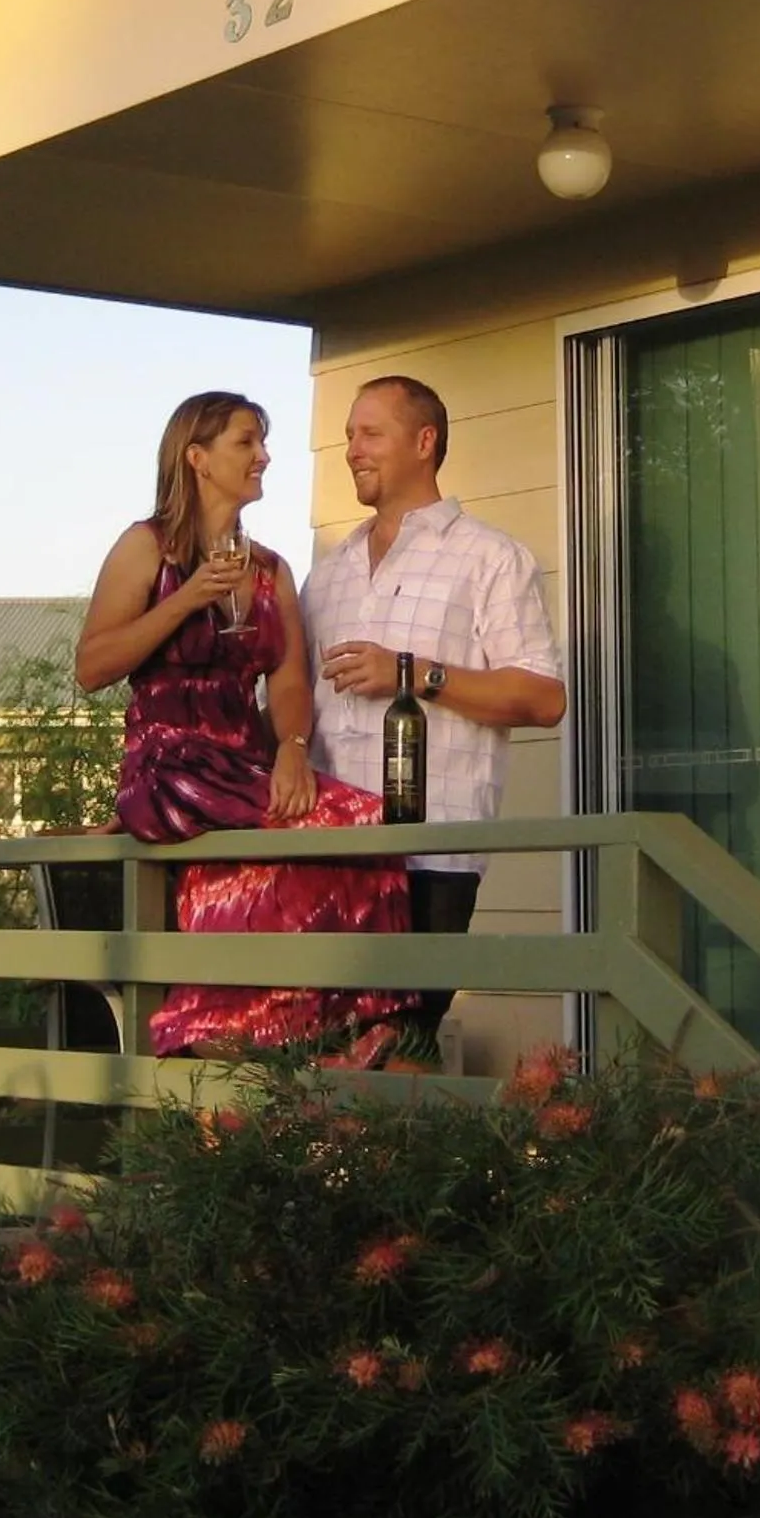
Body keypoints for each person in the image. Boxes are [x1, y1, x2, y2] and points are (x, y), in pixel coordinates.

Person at [75, 390, 418, 1060]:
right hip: (170, 761)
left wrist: (292, 749)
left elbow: (289, 677)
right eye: (246, 442)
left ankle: (346, 1021)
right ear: (197, 458)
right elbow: (92, 665)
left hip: (245, 765)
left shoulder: (270, 570)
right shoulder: (146, 547)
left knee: (368, 819)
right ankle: (214, 1026)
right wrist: (188, 599)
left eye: (262, 442)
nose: (263, 456)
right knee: (287, 840)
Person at [303, 375, 566, 1029]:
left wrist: (414, 673)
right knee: (317, 1058)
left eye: (369, 433)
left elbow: (542, 698)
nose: (352, 450)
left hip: (430, 855)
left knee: (401, 1050)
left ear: (424, 442)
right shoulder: (326, 575)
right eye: (347, 437)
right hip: (326, 853)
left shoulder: (489, 558)